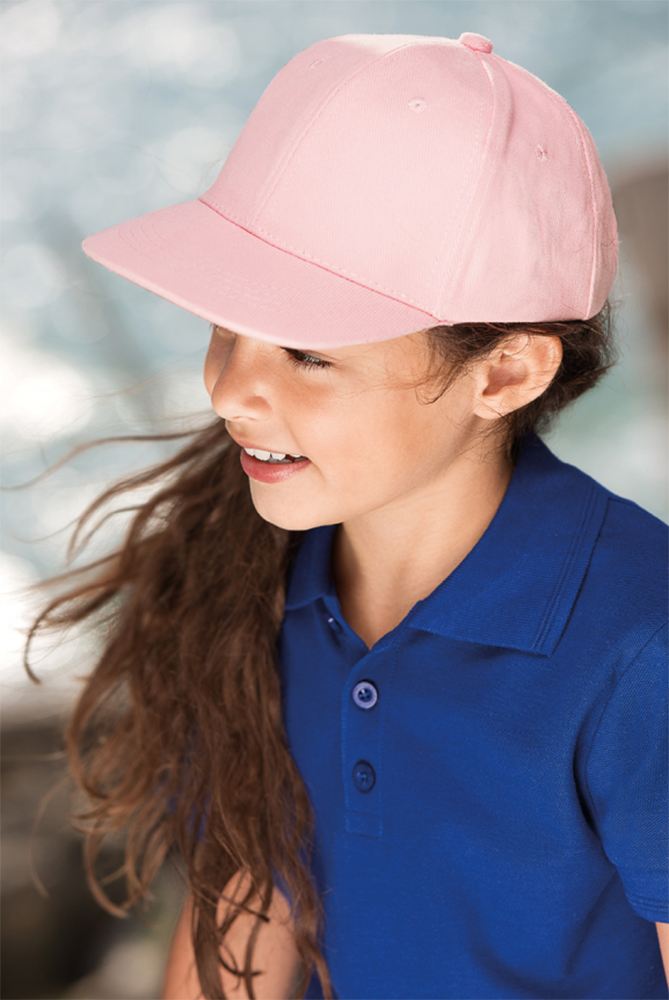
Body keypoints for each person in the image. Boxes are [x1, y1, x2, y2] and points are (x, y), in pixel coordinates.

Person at [28, 31, 667, 1000]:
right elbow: (246, 925)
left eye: (308, 354)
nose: (229, 391)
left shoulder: (641, 643)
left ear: (505, 371)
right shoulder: (243, 576)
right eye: (224, 327)